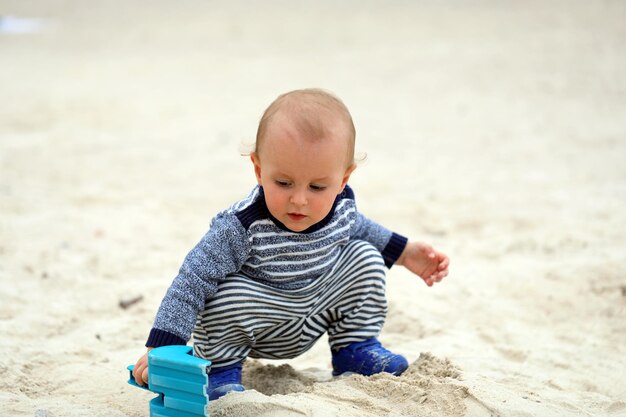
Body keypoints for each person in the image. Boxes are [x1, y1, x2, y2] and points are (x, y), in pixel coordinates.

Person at [132, 88, 449, 400]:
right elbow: (192, 279)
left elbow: (363, 228)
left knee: (364, 255)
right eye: (283, 183)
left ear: (343, 179)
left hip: (315, 309)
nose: (299, 200)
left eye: (317, 186)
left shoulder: (341, 207)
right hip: (258, 319)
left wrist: (407, 253)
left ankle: (355, 348)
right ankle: (220, 370)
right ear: (258, 169)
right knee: (222, 293)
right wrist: (163, 347)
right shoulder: (242, 226)